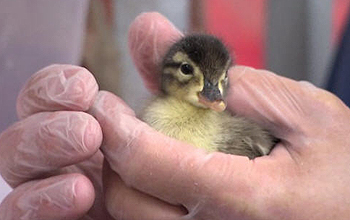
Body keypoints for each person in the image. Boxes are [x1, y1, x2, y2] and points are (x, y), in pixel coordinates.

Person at [1, 12, 350, 220]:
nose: (212, 93)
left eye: (220, 82)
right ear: (171, 72)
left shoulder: (238, 134)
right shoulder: (150, 120)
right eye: (188, 70)